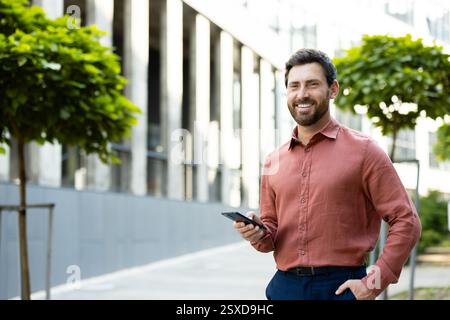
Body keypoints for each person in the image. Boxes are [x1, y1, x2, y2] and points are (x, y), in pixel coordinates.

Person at [233, 48, 421, 300]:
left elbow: (406, 221)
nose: (302, 94)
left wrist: (373, 282)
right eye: (294, 86)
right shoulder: (272, 160)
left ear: (333, 89)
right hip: (284, 288)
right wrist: (257, 234)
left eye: (312, 84)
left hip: (341, 289)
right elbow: (271, 236)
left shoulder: (365, 151)